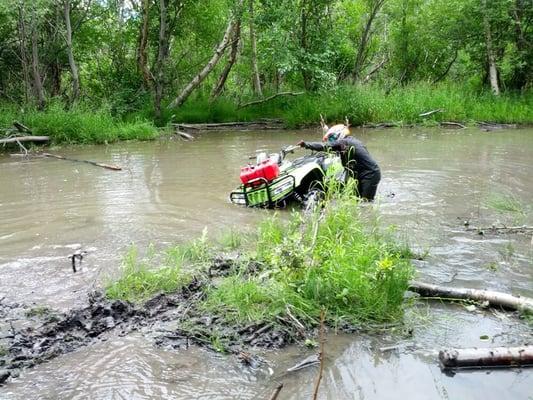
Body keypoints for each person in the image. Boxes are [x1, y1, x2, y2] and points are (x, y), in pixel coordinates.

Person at [297, 119, 381, 201]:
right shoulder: (350, 142)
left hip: (370, 174)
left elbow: (324, 146)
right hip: (364, 174)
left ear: (339, 134)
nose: (332, 141)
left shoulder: (345, 142)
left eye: (332, 138)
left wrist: (306, 144)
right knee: (357, 201)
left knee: (365, 203)